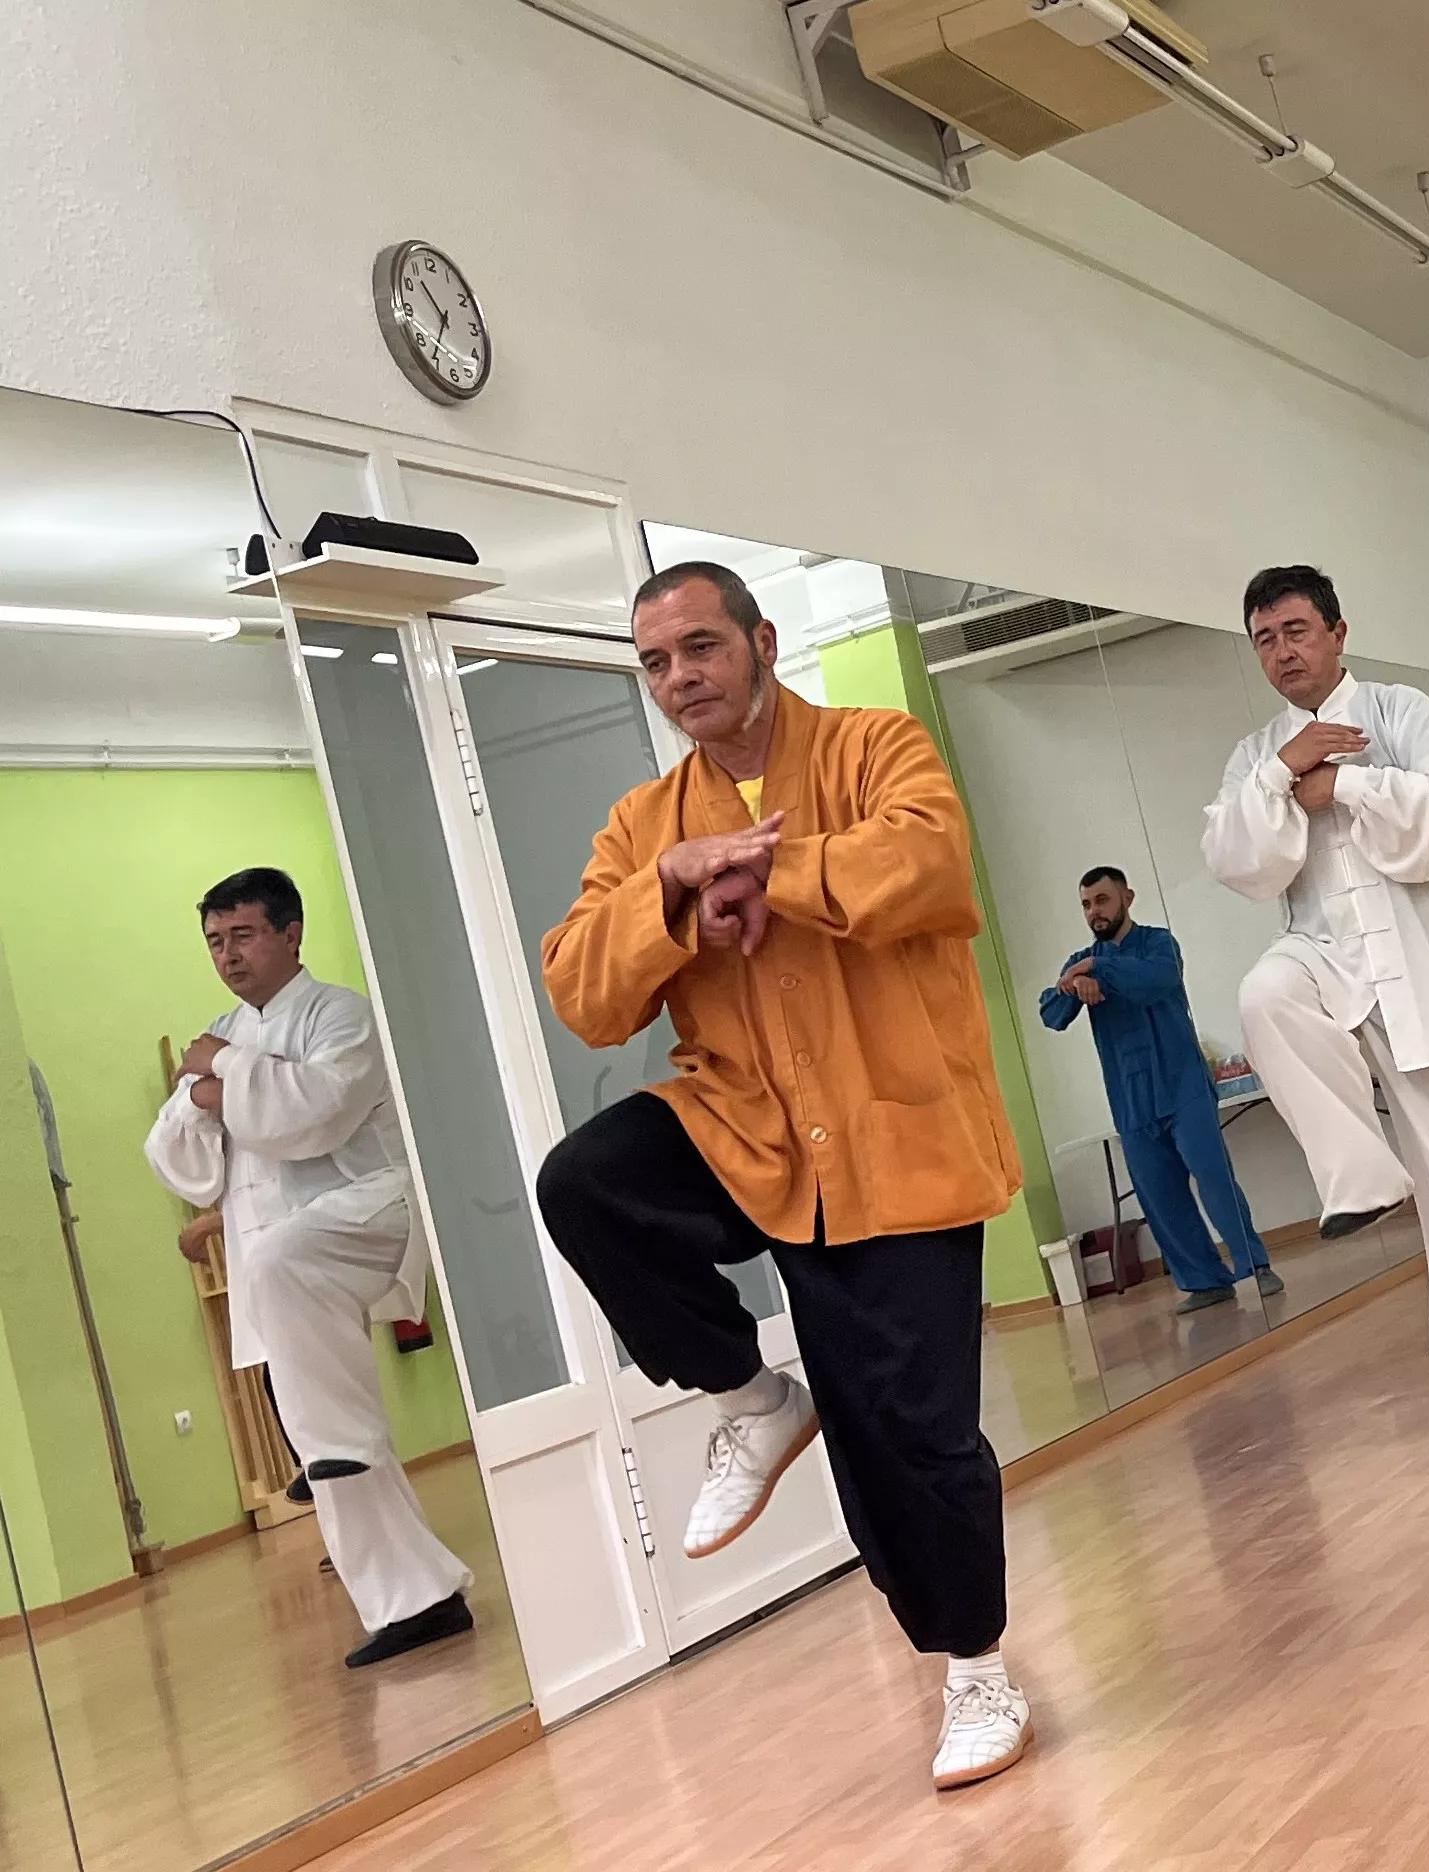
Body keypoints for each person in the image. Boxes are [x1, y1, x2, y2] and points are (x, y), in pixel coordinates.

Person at [532, 561, 1034, 1788]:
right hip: (745, 1129)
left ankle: (976, 1671)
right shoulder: (642, 823)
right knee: (587, 1180)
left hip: (893, 1141)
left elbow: (927, 868)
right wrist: (669, 886)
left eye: (700, 648)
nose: (680, 679)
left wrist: (768, 871)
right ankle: (750, 1401)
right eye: (655, 663)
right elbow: (582, 989)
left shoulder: (876, 744)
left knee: (905, 1437)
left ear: (760, 641)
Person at [1201, 564, 1429, 1415]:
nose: (1282, 652)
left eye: (1296, 631)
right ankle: (1359, 1176)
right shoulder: (1256, 756)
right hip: (1326, 957)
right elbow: (1237, 858)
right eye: (1264, 640)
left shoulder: (1401, 713)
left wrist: (1341, 783)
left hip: (1428, 974)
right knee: (1264, 997)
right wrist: (1285, 772)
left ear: (1337, 632)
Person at [143, 868, 475, 1665]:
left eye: (244, 935)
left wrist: (224, 1076)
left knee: (288, 1267)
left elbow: (310, 1118)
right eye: (216, 941)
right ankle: (417, 1602)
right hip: (286, 1260)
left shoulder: (341, 1016)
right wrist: (202, 1094)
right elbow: (174, 1159)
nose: (228, 956)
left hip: (364, 1213)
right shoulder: (218, 1032)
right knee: (339, 1447)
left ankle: (328, 1443)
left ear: (291, 934)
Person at [1040, 866, 1281, 1315]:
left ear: (1127, 898)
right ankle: (1205, 1282)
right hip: (1131, 1101)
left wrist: (1099, 969)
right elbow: (1052, 1013)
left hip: (1183, 1085)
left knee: (1214, 1179)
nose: (1095, 911)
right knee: (1160, 1195)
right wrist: (1076, 983)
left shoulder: (1158, 944)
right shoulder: (1080, 960)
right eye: (1087, 904)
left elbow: (1156, 982)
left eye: (1103, 900)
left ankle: (1257, 1265)